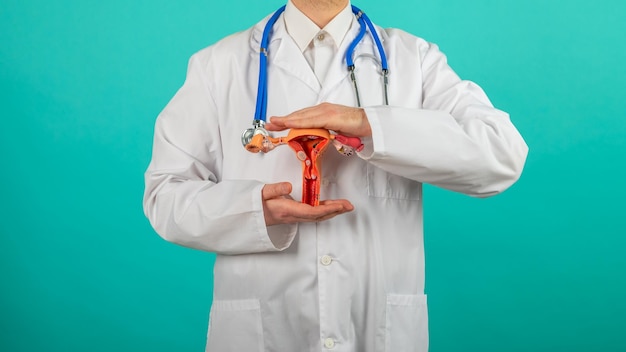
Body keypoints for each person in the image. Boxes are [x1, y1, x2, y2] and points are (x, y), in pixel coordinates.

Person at [143, 0, 528, 350]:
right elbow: (165, 196)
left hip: (377, 328)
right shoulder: (218, 65)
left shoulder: (415, 60)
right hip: (262, 331)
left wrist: (368, 123)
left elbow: (502, 156)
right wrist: (253, 210)